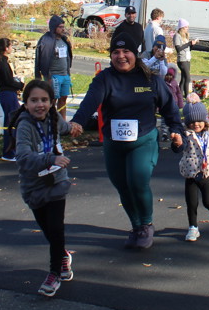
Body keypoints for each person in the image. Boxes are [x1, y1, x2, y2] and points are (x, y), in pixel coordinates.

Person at [69, 34, 184, 250]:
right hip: (114, 144)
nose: (121, 56)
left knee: (137, 182)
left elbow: (169, 108)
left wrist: (177, 131)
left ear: (135, 55)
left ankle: (146, 224)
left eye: (126, 52)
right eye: (116, 52)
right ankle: (137, 226)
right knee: (122, 186)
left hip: (143, 141)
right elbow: (90, 101)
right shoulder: (105, 78)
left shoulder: (150, 80)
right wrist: (78, 122)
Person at [12, 79, 79, 297]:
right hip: (34, 186)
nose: (39, 105)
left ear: (51, 102)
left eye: (44, 100)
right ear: (26, 103)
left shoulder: (54, 117)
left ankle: (54, 274)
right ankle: (63, 256)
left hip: (57, 181)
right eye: (34, 100)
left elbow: (65, 128)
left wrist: (74, 128)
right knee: (49, 230)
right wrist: (51, 158)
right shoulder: (24, 126)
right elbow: (23, 156)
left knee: (56, 228)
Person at [172, 94, 209, 242]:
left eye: (199, 121)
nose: (196, 124)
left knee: (208, 201)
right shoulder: (186, 135)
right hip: (190, 172)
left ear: (205, 121)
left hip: (207, 172)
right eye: (192, 122)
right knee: (191, 203)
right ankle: (193, 228)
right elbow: (179, 148)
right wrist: (177, 142)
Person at [35, 15, 74, 120]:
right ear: (54, 27)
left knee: (63, 99)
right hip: (53, 76)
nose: (63, 29)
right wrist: (46, 77)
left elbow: (68, 57)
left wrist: (68, 73)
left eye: (63, 27)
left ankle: (62, 122)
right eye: (60, 27)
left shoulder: (64, 40)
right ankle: (50, 122)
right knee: (52, 100)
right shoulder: (46, 40)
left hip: (65, 75)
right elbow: (41, 59)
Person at [0, 38, 23, 161]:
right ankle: (9, 153)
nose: (12, 48)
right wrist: (20, 84)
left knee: (14, 121)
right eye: (10, 46)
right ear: (6, 48)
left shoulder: (2, 61)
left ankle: (14, 149)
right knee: (11, 123)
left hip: (8, 93)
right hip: (8, 94)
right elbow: (8, 81)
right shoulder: (2, 63)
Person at [173, 19, 197, 98]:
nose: (187, 28)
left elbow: (188, 49)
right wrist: (189, 43)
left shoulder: (185, 36)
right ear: (182, 28)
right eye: (186, 27)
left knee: (183, 78)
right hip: (182, 60)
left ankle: (179, 95)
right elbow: (178, 49)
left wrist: (192, 45)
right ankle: (187, 96)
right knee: (187, 78)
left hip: (187, 58)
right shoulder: (177, 36)